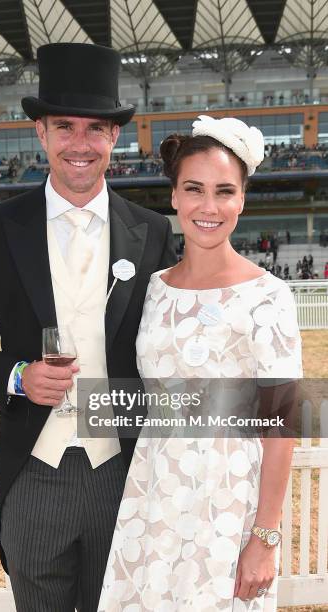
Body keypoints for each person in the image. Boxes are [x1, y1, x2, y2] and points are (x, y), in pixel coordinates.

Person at [0, 43, 177, 612]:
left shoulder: (151, 232)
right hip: (35, 472)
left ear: (114, 138)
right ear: (40, 132)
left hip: (121, 470)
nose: (79, 144)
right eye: (64, 126)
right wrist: (17, 376)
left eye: (95, 129)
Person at [98, 115, 302, 611]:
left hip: (228, 504)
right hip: (153, 497)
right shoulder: (153, 290)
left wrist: (264, 537)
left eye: (224, 191)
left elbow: (284, 423)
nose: (208, 207)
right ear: (173, 196)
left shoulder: (268, 296)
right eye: (194, 189)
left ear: (242, 200)